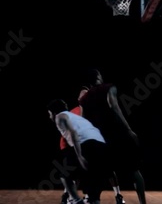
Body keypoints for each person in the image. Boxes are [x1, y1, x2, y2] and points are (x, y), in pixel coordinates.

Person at [78, 69, 146, 204]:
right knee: (134, 171)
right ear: (98, 77)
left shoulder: (84, 98)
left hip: (100, 139)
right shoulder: (109, 88)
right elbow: (114, 106)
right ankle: (142, 202)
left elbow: (84, 121)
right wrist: (129, 130)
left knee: (100, 174)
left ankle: (93, 199)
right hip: (118, 135)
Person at [48, 99, 115, 204]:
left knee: (64, 174)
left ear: (54, 112)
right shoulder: (77, 117)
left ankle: (76, 200)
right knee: (93, 181)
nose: (49, 116)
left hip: (87, 144)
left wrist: (79, 156)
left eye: (49, 114)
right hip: (102, 144)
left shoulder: (59, 116)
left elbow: (74, 133)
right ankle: (93, 200)